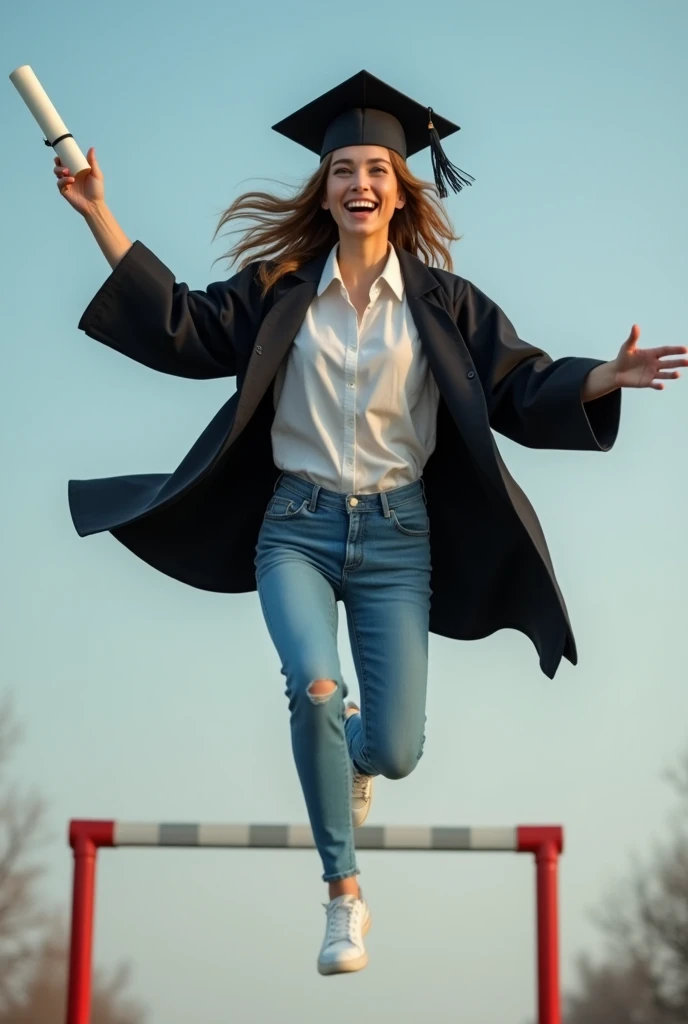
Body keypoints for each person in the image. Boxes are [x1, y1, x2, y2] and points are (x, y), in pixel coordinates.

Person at [53, 70, 686, 976]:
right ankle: (343, 896)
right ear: (324, 186)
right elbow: (183, 324)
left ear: (400, 186)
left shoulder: (444, 304)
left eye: (377, 168)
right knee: (314, 686)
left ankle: (351, 757)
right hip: (296, 530)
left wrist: (603, 377)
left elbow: (519, 383)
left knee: (393, 747)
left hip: (398, 541)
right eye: (343, 167)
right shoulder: (279, 290)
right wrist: (96, 215)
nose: (359, 183)